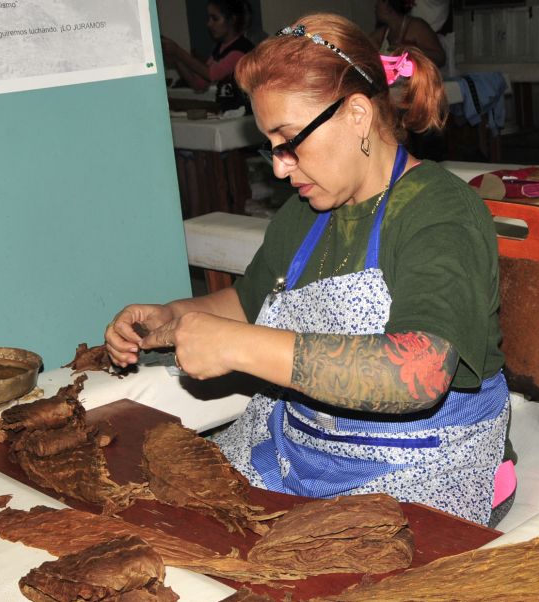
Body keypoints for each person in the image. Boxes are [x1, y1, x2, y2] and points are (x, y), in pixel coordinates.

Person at [106, 13, 513, 527]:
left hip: (425, 468)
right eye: (271, 146)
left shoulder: (439, 211)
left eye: (290, 140)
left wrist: (235, 345)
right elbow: (250, 302)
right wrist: (170, 319)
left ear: (358, 115)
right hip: (308, 457)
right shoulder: (306, 212)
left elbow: (421, 373)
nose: (279, 167)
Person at [161, 0, 254, 111]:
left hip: (245, 115)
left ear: (232, 20)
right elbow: (199, 84)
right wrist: (177, 59)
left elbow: (212, 74)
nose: (209, 24)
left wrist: (179, 51)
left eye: (215, 19)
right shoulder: (220, 48)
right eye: (209, 18)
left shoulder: (241, 49)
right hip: (229, 112)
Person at [370, 0, 447, 69]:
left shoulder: (417, 27)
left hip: (417, 81)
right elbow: (364, 47)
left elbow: (440, 58)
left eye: (379, 1)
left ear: (388, 6)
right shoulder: (382, 33)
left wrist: (411, 52)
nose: (375, 6)